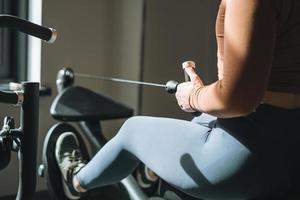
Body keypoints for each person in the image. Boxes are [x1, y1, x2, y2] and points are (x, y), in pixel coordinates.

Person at [55, 0, 300, 199]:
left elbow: (238, 100)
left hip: (245, 161)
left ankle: (76, 181)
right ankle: (150, 171)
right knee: (201, 121)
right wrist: (209, 96)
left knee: (133, 130)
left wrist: (193, 96)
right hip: (290, 148)